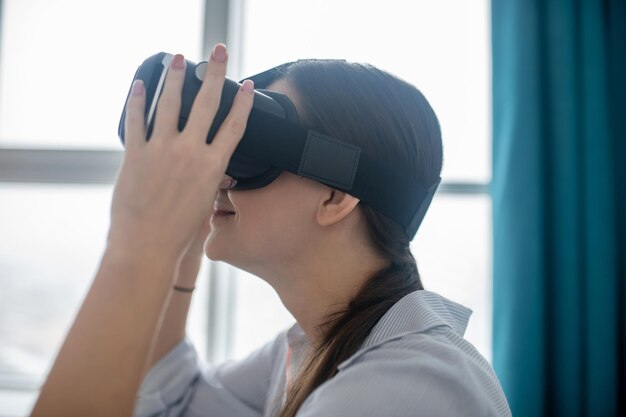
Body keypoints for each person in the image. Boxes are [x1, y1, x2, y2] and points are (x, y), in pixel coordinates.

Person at [30, 43, 511, 417]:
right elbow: (171, 402)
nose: (219, 174)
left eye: (249, 146)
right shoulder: (311, 347)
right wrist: (178, 250)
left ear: (335, 196)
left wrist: (139, 242)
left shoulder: (409, 387)